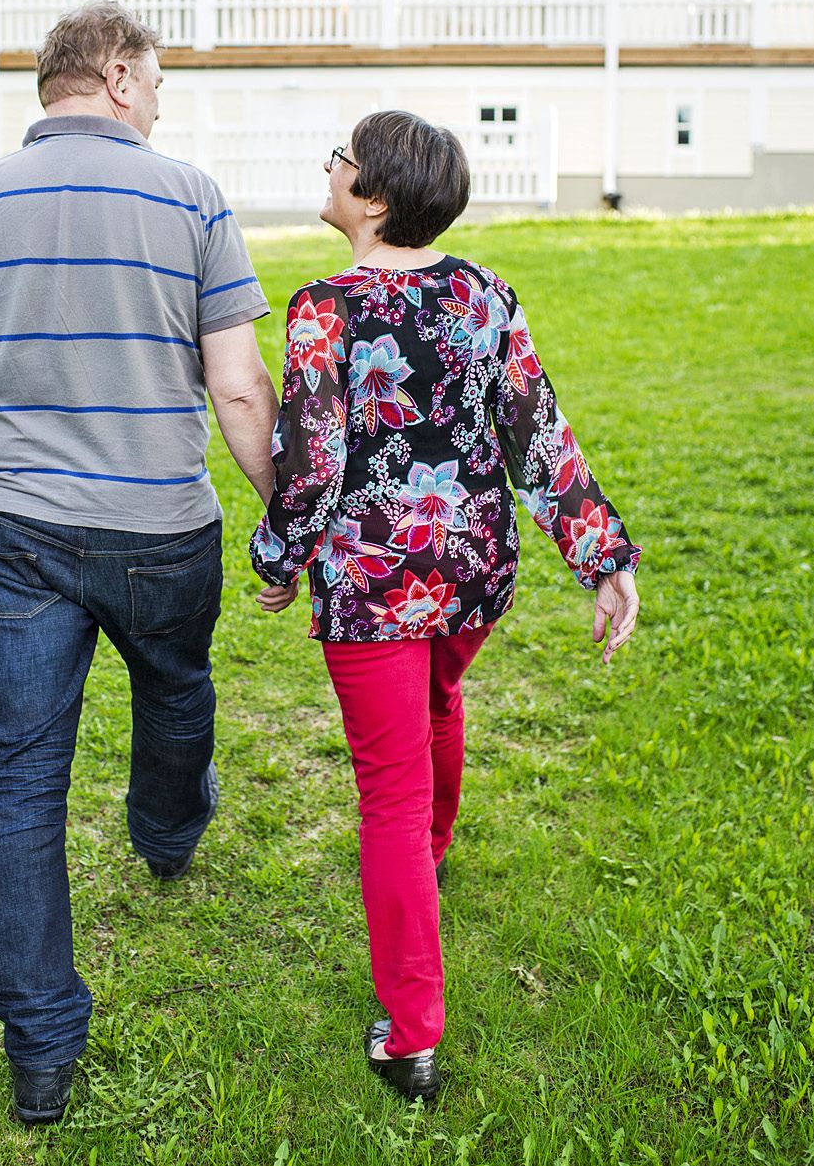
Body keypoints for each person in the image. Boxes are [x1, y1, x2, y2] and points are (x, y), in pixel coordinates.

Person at [0, 0, 278, 1126]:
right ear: (115, 73)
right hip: (162, 527)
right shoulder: (192, 193)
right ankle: (166, 827)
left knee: (16, 779)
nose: (159, 102)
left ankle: (42, 1049)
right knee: (176, 691)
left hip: (10, 531)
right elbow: (242, 386)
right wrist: (283, 511)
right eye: (154, 81)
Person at [250, 110, 640, 1103]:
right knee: (435, 705)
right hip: (472, 575)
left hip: (376, 585)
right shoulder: (481, 291)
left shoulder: (321, 309)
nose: (329, 166)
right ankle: (432, 850)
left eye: (339, 157)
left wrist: (276, 557)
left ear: (373, 196)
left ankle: (411, 1033)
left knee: (387, 792)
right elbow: (535, 427)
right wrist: (597, 553)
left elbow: (314, 460)